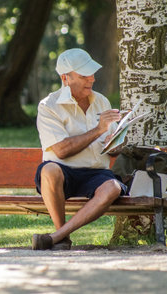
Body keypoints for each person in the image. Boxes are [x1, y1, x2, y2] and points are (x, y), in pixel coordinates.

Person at [33, 48, 128, 250]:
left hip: (96, 173)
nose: (91, 79)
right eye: (84, 75)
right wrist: (98, 129)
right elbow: (61, 151)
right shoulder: (48, 106)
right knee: (49, 169)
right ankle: (61, 235)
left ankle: (58, 237)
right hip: (62, 173)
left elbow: (109, 149)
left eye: (92, 74)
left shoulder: (101, 101)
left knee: (113, 187)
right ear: (65, 78)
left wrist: (116, 144)